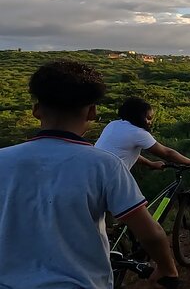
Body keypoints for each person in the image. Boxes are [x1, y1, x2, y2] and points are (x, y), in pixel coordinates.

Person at [0, 60, 178, 288]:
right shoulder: (104, 164)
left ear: (36, 110)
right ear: (92, 112)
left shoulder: (3, 158)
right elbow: (150, 234)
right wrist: (167, 269)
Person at [95, 97, 190, 171]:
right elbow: (167, 153)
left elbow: (124, 153)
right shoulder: (137, 133)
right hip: (109, 179)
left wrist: (150, 164)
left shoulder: (113, 125)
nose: (150, 122)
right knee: (138, 208)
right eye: (149, 118)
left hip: (91, 172)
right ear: (139, 116)